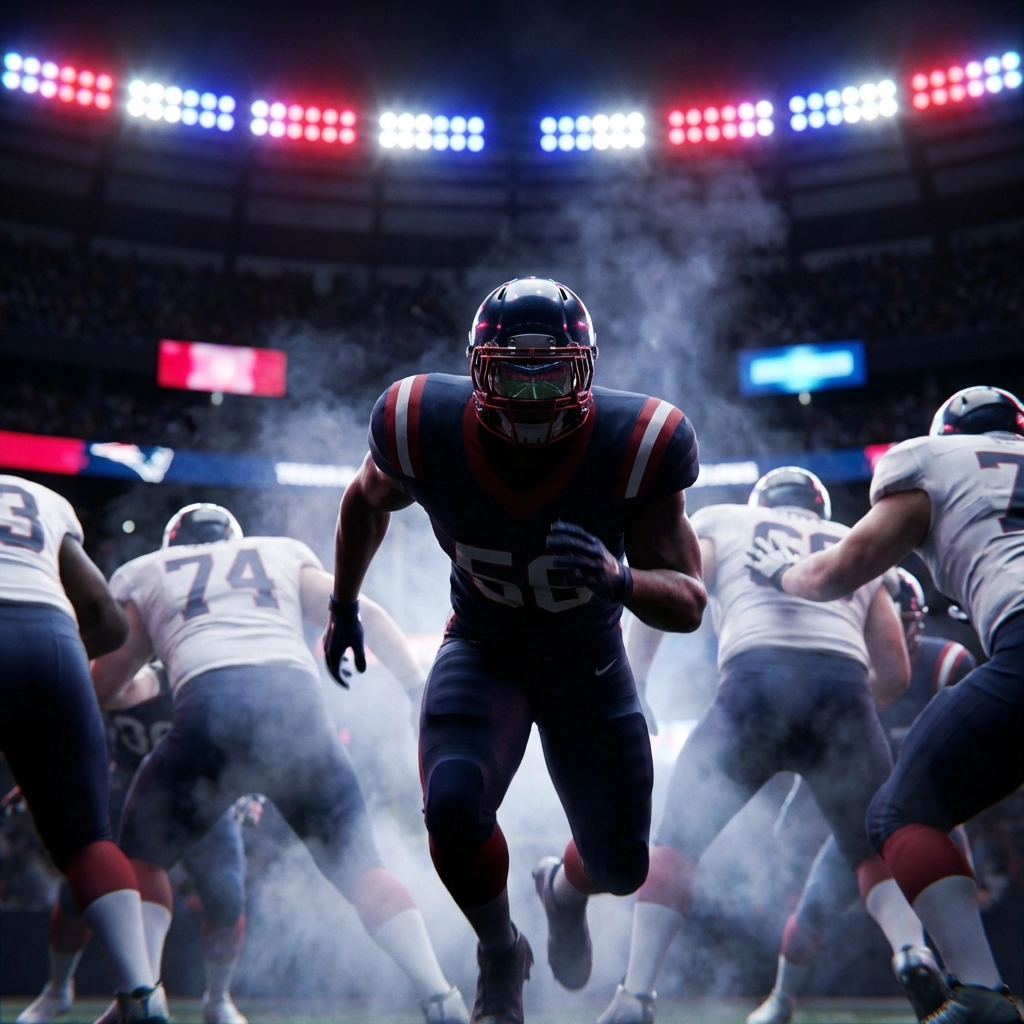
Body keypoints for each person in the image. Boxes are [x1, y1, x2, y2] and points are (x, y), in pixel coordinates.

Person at [322, 278, 706, 1024]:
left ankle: (561, 892)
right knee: (454, 807)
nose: (532, 394)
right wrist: (341, 606)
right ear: (477, 370)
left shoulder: (639, 443)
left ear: (585, 371)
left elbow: (690, 602)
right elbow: (364, 503)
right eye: (513, 372)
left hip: (588, 661)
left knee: (622, 866)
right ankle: (500, 950)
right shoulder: (419, 423)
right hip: (484, 644)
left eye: (551, 372)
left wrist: (619, 578)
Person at [91, 503, 469, 1024]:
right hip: (295, 710)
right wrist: (412, 688)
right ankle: (440, 997)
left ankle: (141, 994)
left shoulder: (149, 572)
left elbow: (106, 683)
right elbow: (360, 610)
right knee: (364, 869)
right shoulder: (278, 554)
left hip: (208, 709)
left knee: (141, 857)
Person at [599, 467, 932, 1024]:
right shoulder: (847, 540)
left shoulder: (726, 520)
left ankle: (636, 994)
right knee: (874, 852)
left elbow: (665, 581)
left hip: (754, 683)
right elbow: (894, 671)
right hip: (843, 690)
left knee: (677, 843)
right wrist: (837, 738)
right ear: (819, 506)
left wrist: (634, 682)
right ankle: (912, 951)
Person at [747, 386, 1024, 1024]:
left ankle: (980, 993)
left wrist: (785, 572)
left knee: (900, 810)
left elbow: (834, 572)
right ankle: (801, 992)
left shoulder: (931, 463)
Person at [747, 568, 977, 1024]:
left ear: (916, 623)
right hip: (869, 820)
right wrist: (798, 800)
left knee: (954, 911)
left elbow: (965, 763)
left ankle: (968, 990)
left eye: (901, 622)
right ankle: (782, 997)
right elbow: (821, 755)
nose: (889, 634)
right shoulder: (845, 674)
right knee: (809, 916)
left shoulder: (945, 666)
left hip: (928, 815)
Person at [0, 474, 166, 1024]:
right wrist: (60, 662)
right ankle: (141, 995)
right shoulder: (39, 497)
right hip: (52, 638)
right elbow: (106, 617)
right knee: (90, 842)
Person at [17, 662, 253, 1024]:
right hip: (128, 790)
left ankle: (218, 998)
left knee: (226, 895)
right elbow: (82, 723)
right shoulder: (122, 660)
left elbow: (248, 724)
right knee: (77, 890)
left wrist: (247, 784)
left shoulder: (205, 659)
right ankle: (58, 990)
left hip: (202, 794)